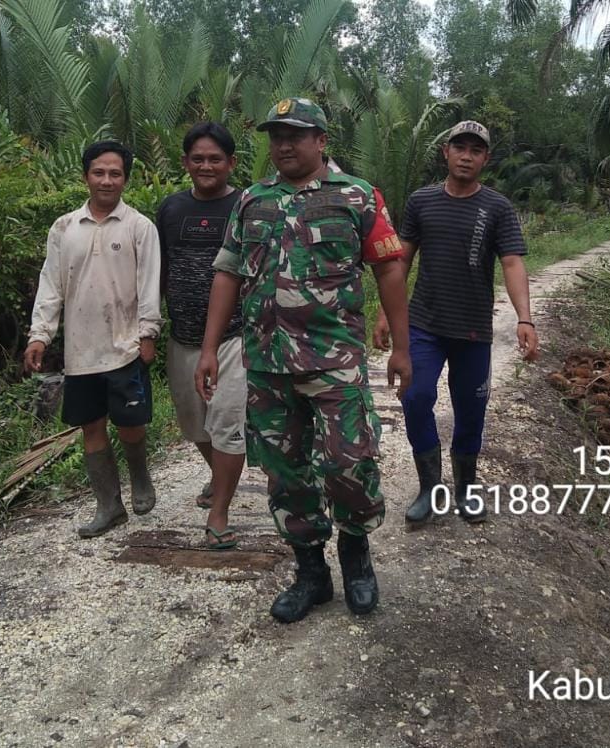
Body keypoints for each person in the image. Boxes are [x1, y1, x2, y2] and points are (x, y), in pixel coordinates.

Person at [194, 97, 412, 623]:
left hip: (334, 362)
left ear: (321, 141)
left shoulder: (357, 197)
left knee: (347, 463)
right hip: (267, 364)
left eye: (296, 134)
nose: (284, 145)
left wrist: (402, 347)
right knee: (284, 473)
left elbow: (388, 270)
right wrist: (208, 347)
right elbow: (228, 272)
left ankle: (357, 559)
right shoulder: (252, 200)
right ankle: (311, 573)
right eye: (276, 136)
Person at [374, 120, 540, 524]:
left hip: (473, 329)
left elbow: (513, 262)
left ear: (485, 158)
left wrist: (525, 318)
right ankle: (430, 486)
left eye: (476, 150)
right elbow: (402, 258)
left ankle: (466, 487)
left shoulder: (497, 208)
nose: (467, 156)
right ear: (446, 152)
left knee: (471, 409)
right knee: (414, 398)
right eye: (459, 148)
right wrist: (384, 311)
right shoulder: (422, 201)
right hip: (424, 324)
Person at [24, 140, 162, 538]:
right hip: (81, 350)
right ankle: (108, 505)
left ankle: (139, 476)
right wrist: (40, 335)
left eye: (115, 173)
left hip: (126, 347)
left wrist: (148, 332)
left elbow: (148, 284)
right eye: (99, 172)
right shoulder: (64, 228)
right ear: (85, 176)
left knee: (131, 423)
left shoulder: (139, 227)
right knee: (91, 426)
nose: (106, 180)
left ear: (125, 179)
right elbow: (51, 284)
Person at [155, 122, 246, 550]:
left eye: (215, 159)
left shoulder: (247, 205)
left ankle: (220, 511)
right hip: (183, 336)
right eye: (198, 158)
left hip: (235, 336)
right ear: (185, 163)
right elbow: (160, 269)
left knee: (227, 420)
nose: (206, 166)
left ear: (231, 162)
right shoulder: (170, 209)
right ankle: (219, 474)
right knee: (196, 426)